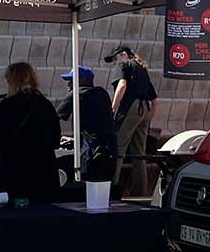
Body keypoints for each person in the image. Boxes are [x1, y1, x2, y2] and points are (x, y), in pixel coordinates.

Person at [0, 63, 60, 201]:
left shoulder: (6, 106)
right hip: (43, 172)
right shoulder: (45, 104)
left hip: (12, 172)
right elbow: (55, 139)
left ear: (11, 80)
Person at [104, 45, 158, 197]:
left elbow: (122, 85)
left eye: (115, 58)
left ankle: (111, 190)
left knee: (118, 148)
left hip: (130, 107)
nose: (115, 62)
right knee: (139, 153)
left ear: (123, 54)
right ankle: (140, 193)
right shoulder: (142, 69)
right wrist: (149, 116)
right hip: (144, 108)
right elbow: (155, 100)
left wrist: (112, 108)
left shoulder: (124, 65)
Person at [57, 65, 118, 184]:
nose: (69, 85)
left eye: (71, 80)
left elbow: (54, 118)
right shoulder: (102, 93)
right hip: (110, 150)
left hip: (91, 153)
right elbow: (97, 125)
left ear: (82, 80)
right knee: (104, 189)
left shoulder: (77, 94)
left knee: (87, 187)